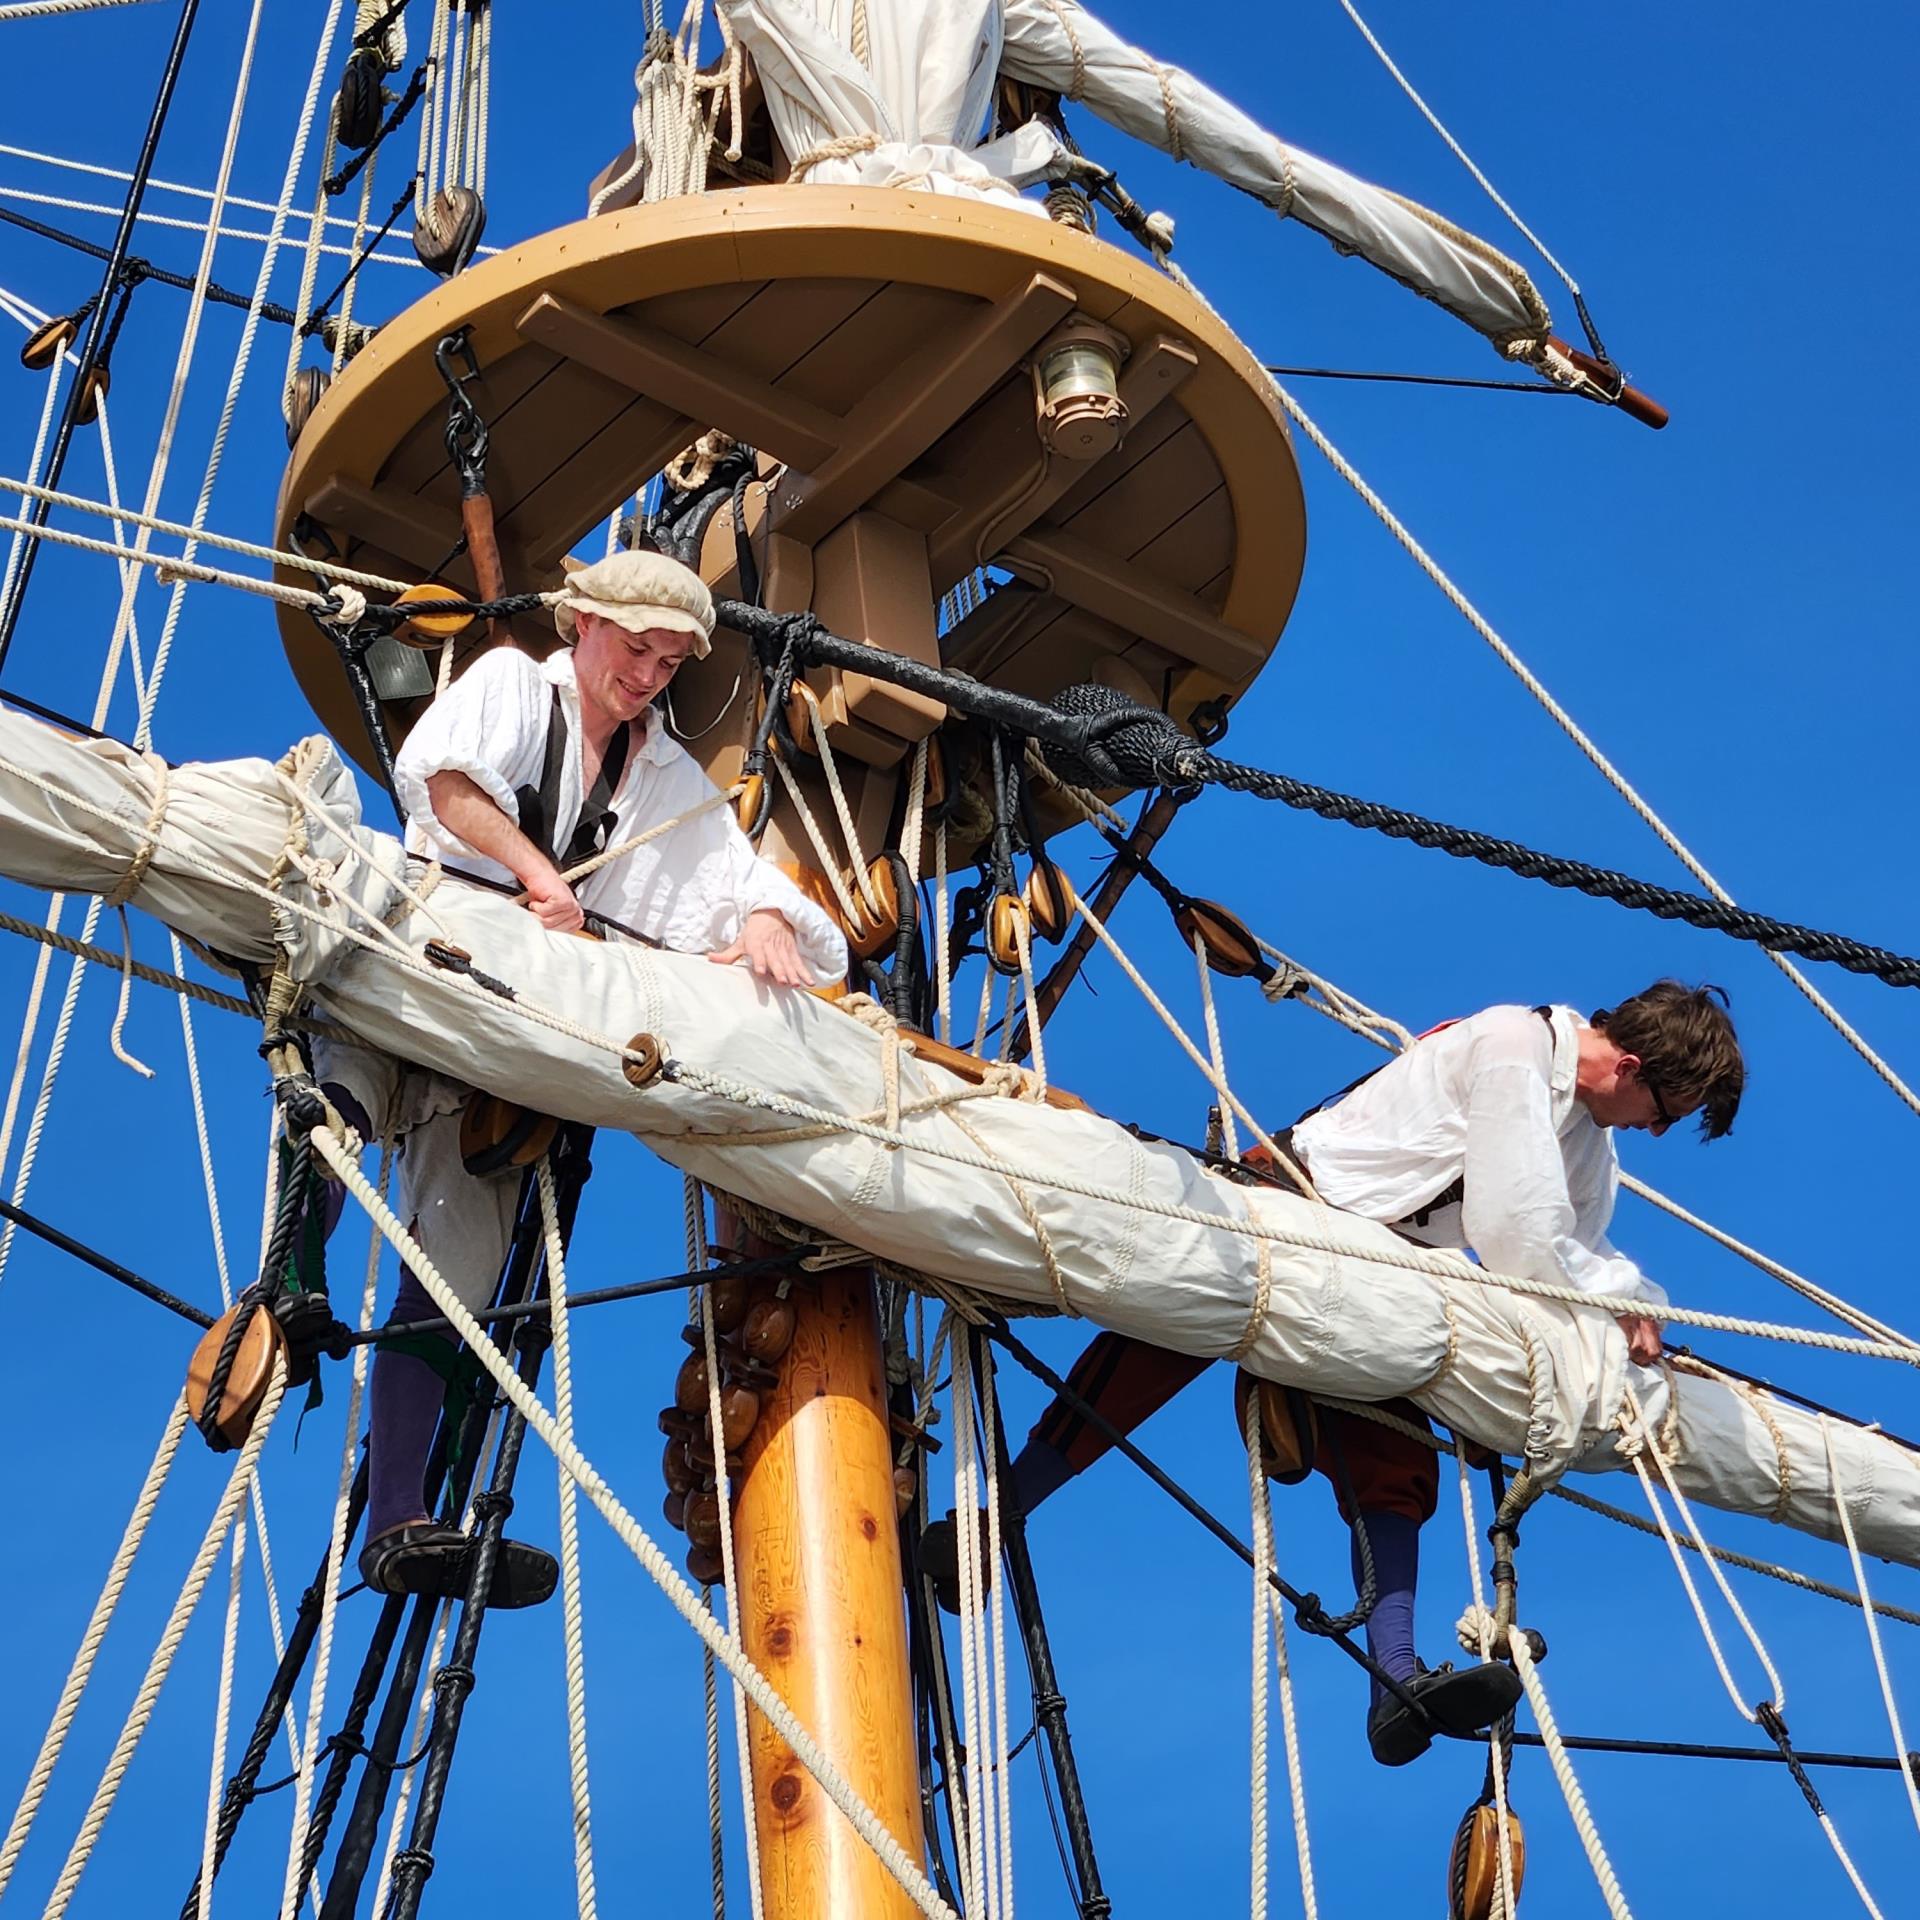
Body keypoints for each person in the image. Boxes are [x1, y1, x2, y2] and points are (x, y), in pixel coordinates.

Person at [932, 982, 1745, 1764]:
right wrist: (1621, 1295)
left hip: (1390, 1269)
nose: (1657, 1132)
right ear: (1633, 1070)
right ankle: (992, 1519)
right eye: (1665, 1114)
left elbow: (1575, 1256)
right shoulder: (1515, 1044)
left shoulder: (1589, 1147)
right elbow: (1519, 1236)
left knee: (1397, 1461)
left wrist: (1621, 1308)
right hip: (1297, 1198)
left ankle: (1394, 1676)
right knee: (1161, 1336)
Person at [320, 549, 848, 1608]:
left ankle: (397, 1524)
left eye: (667, 663)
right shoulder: (517, 683)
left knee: (460, 1279)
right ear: (582, 626)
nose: (647, 677)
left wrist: (754, 916)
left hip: (517, 1053)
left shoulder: (668, 782)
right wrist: (537, 876)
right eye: (634, 649)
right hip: (434, 954)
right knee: (338, 1107)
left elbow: (802, 930)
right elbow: (443, 779)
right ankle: (287, 1288)